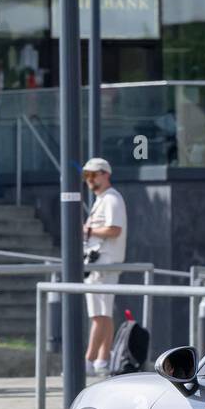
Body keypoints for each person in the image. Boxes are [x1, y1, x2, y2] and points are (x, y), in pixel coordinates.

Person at [81, 157, 126, 376]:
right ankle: (101, 360)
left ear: (105, 174)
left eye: (93, 174)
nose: (89, 179)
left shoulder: (111, 199)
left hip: (104, 263)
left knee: (99, 314)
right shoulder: (103, 199)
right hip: (99, 262)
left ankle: (89, 361)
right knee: (103, 314)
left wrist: (87, 231)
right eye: (86, 175)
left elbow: (114, 230)